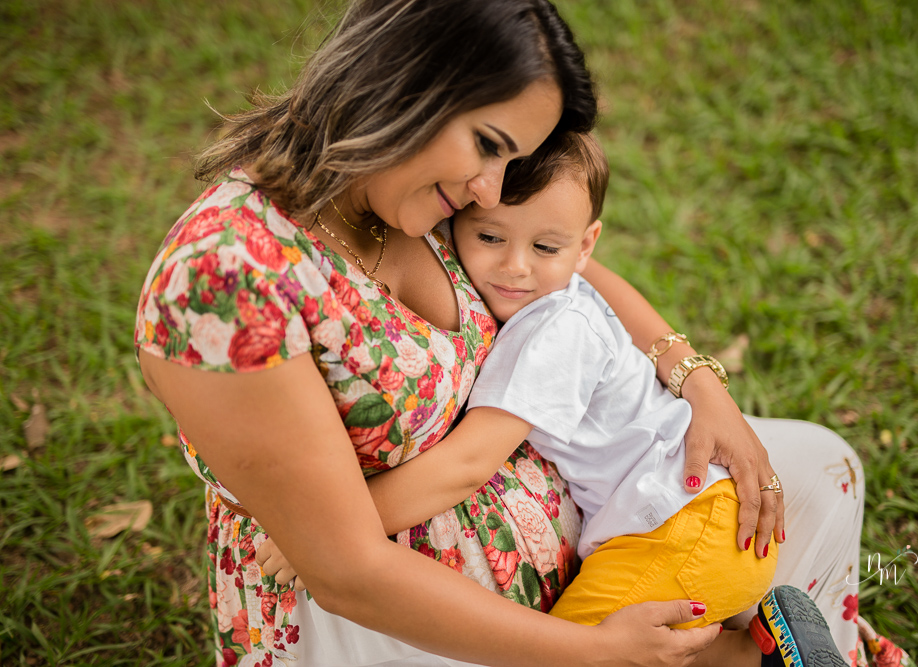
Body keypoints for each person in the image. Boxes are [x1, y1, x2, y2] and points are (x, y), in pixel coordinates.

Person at [135, 1, 743, 665]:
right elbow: (348, 573)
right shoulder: (226, 281)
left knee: (819, 475)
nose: (491, 193)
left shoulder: (407, 189)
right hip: (400, 634)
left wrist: (694, 375)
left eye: (511, 161)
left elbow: (569, 269)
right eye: (487, 145)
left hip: (598, 538)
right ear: (403, 81)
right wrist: (593, 651)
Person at [256, 132, 853, 667]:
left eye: (545, 248)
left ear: (586, 245)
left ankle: (750, 659)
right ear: (455, 222)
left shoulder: (552, 334)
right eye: (491, 236)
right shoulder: (561, 299)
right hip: (688, 524)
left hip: (675, 528)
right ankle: (756, 651)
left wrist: (325, 532)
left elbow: (467, 464)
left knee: (572, 659)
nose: (514, 267)